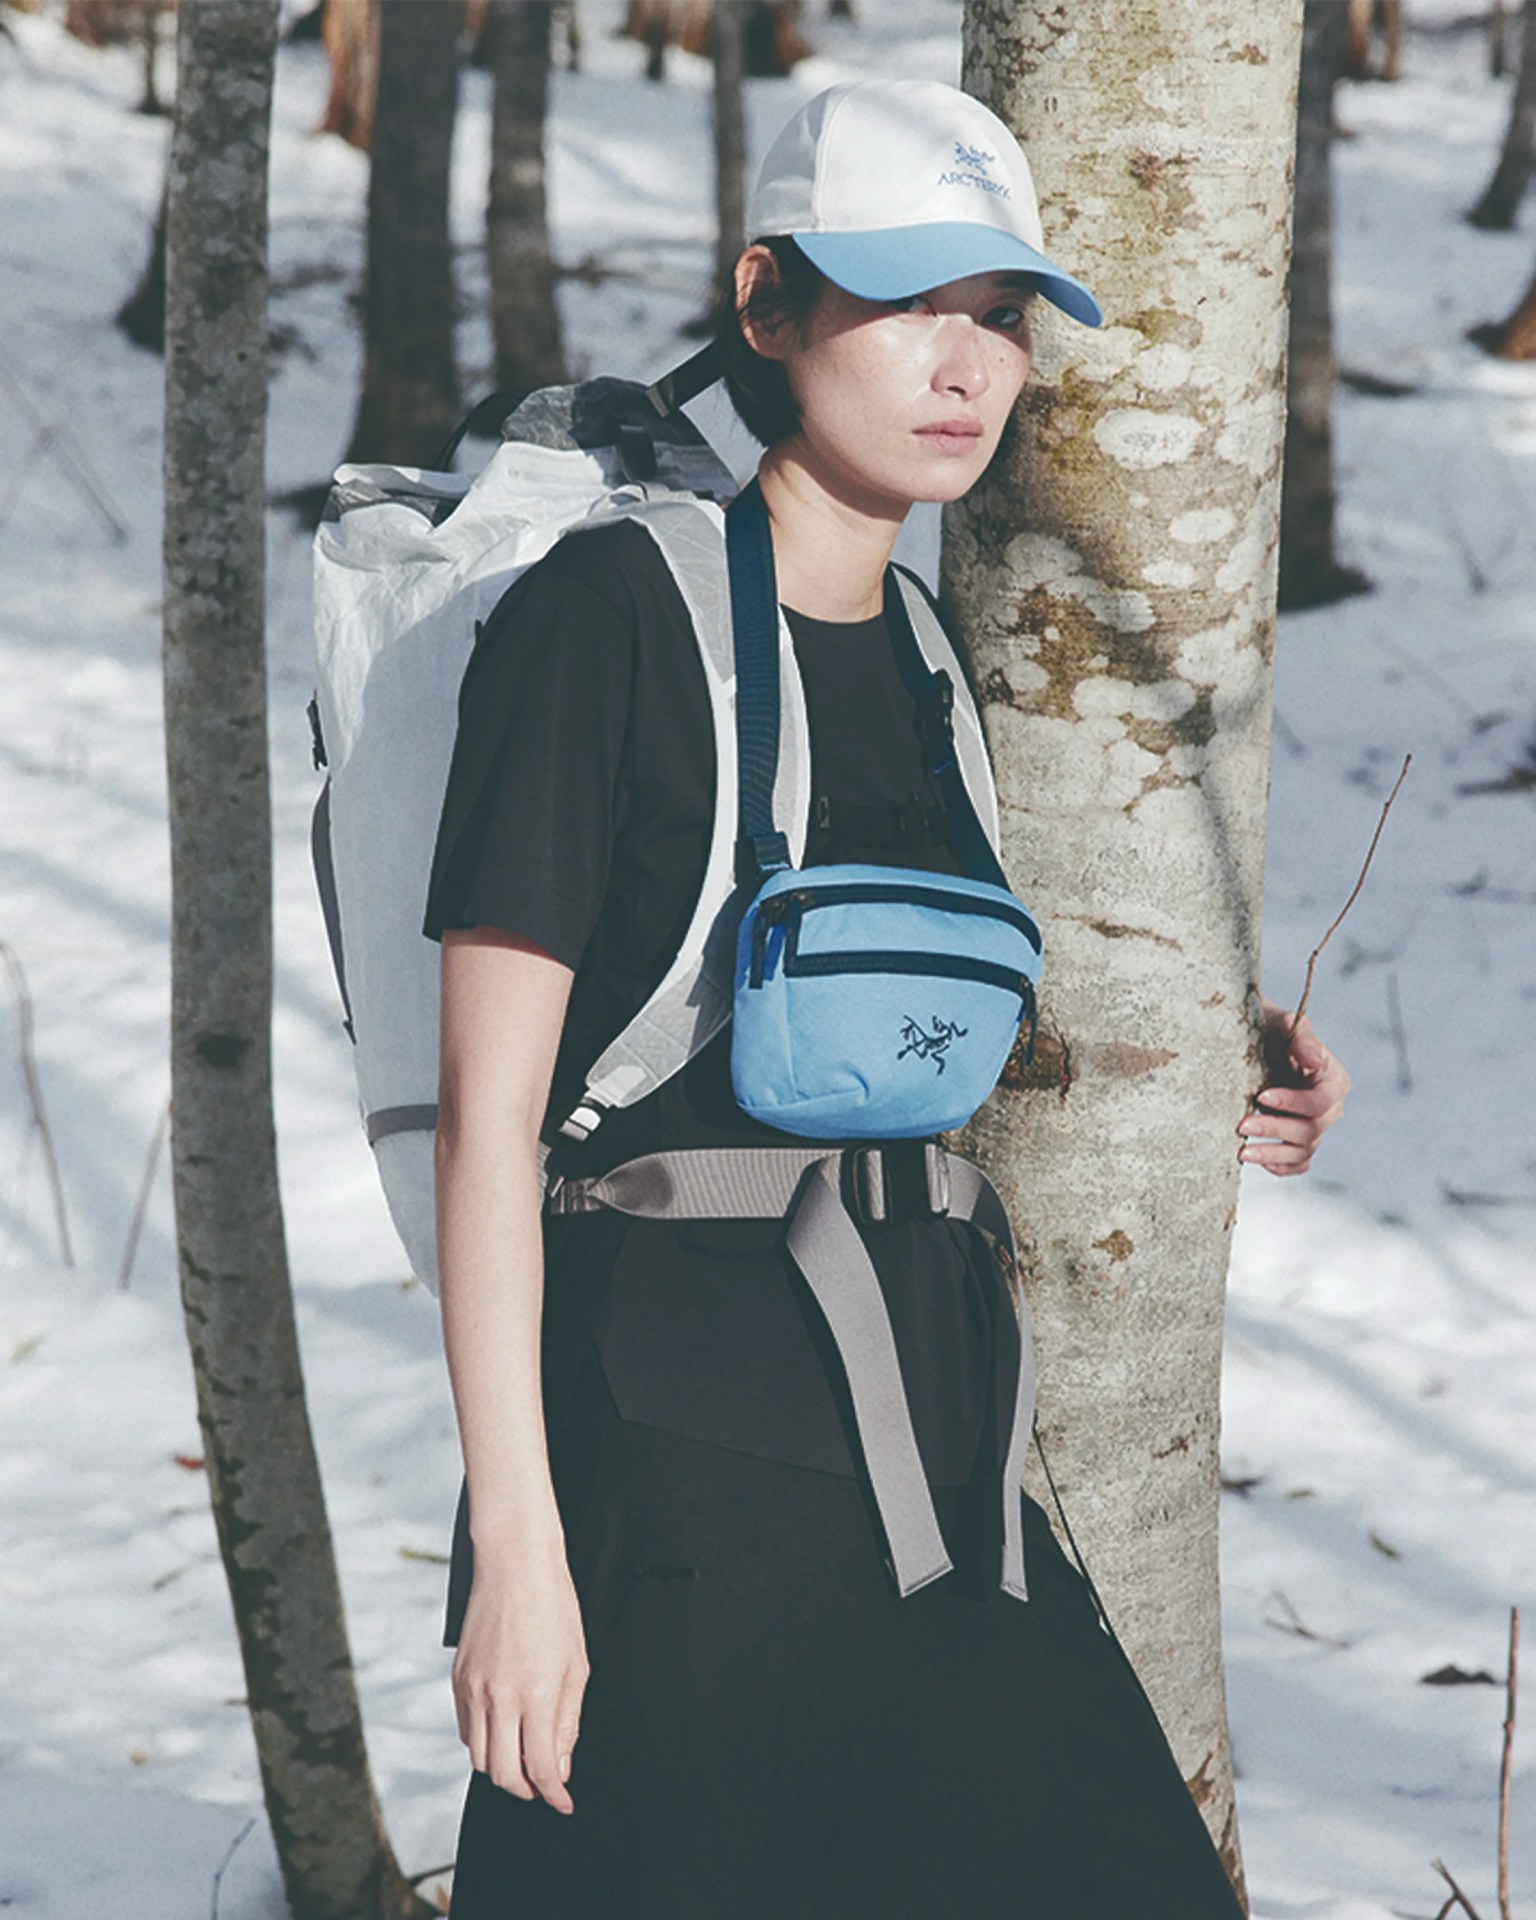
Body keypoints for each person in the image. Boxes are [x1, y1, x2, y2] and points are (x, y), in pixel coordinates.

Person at [424, 77, 1350, 1920]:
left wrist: (1217, 1060)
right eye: (910, 301)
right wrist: (518, 1554)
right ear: (766, 304)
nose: (965, 363)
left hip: (938, 1447)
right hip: (674, 1462)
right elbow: (486, 1121)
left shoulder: (930, 652)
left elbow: (899, 999)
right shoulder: (607, 619)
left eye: (998, 315)